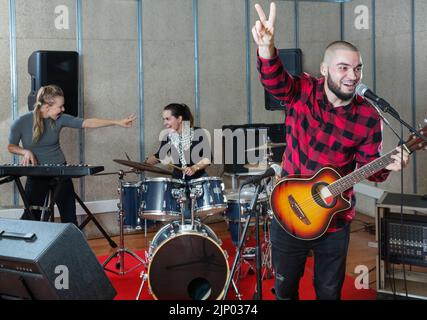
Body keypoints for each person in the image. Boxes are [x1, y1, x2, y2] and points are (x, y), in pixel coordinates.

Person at [252, 2, 409, 300]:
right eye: (344, 67)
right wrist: (267, 47)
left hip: (334, 221)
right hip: (288, 211)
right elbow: (275, 81)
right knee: (285, 289)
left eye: (358, 68)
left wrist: (389, 164)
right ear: (324, 70)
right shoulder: (303, 91)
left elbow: (369, 168)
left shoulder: (368, 115)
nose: (353, 76)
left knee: (328, 292)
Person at [8, 84, 136, 225]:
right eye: (60, 106)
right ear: (46, 107)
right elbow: (11, 146)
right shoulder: (21, 122)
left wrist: (117, 122)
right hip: (36, 174)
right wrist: (24, 151)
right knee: (31, 217)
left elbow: (87, 122)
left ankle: (73, 245)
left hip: (61, 173)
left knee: (69, 217)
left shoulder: (60, 118)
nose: (63, 109)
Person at [145, 103, 211, 181]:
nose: (164, 123)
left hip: (198, 181)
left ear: (179, 119)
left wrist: (194, 168)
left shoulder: (198, 133)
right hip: (178, 181)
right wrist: (142, 165)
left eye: (168, 119)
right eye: (164, 119)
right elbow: (159, 156)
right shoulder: (168, 136)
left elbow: (207, 158)